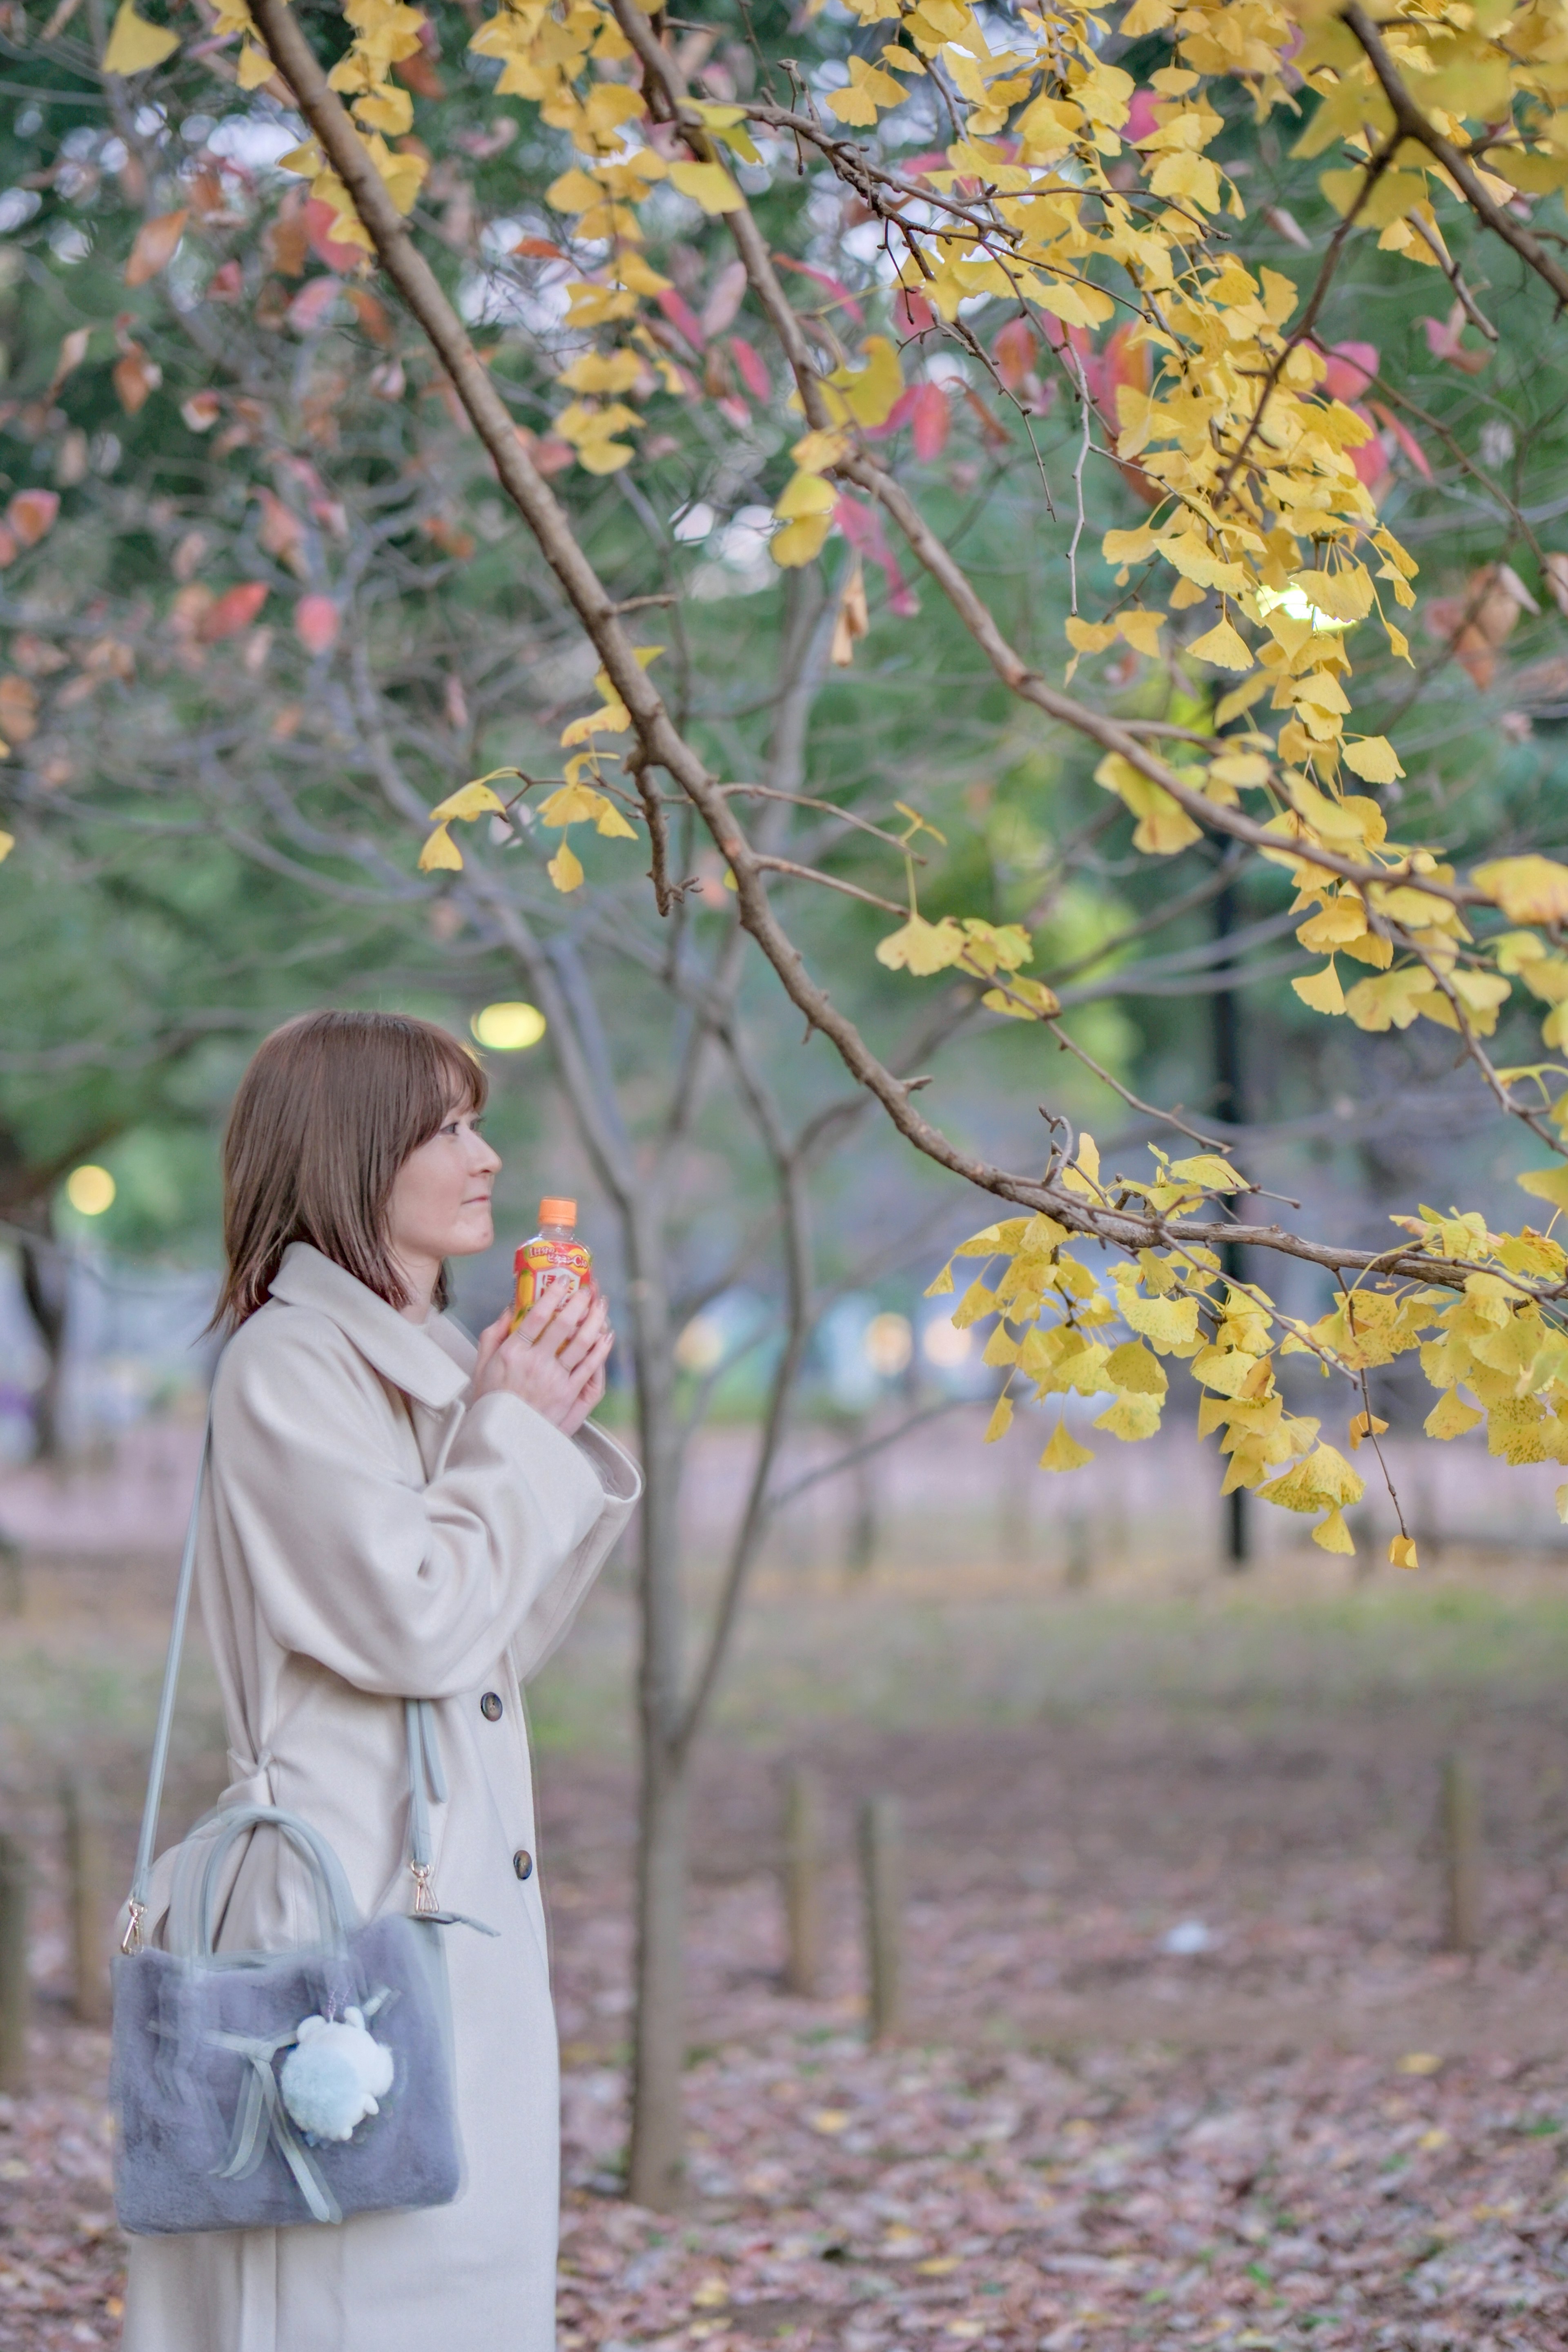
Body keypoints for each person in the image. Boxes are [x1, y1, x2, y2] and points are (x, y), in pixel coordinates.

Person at [121, 1008, 641, 2352]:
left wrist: (523, 1422)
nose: (486, 1158)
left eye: (476, 1122)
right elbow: (416, 1626)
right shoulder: (293, 1364)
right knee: (355, 2293)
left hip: (436, 1891)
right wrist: (515, 1430)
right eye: (450, 1127)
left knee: (437, 2278)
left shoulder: (422, 1369)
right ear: (359, 1156)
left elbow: (483, 1649)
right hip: (342, 1900)